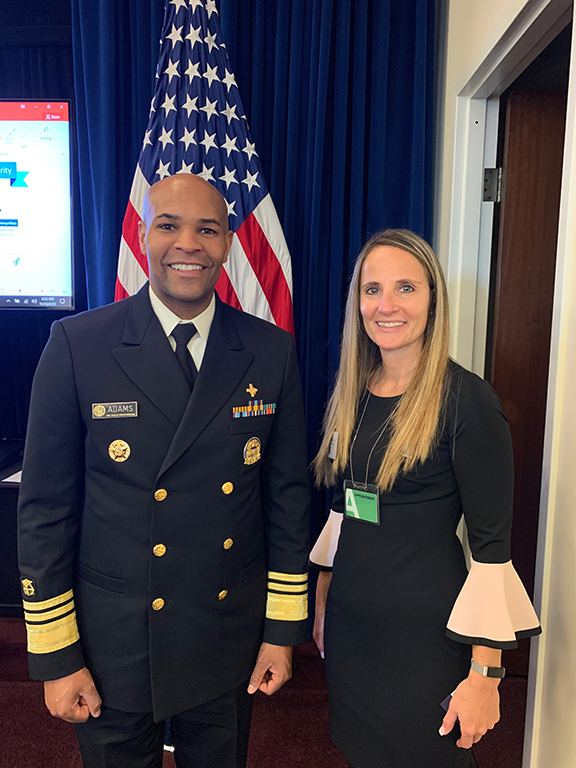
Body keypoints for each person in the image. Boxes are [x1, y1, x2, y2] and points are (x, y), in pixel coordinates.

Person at [18, 173, 310, 768]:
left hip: (224, 634)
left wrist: (281, 631)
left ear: (229, 242)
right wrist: (57, 654)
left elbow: (287, 500)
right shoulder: (78, 345)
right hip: (114, 641)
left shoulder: (269, 351)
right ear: (142, 234)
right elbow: (45, 512)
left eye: (207, 229)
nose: (188, 244)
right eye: (169, 226)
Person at [310, 229, 540, 768]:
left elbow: (491, 552)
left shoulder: (468, 401)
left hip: (425, 639)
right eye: (372, 290)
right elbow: (346, 509)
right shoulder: (353, 391)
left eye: (405, 288)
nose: (386, 306)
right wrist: (323, 599)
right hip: (352, 627)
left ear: (432, 300)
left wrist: (486, 675)